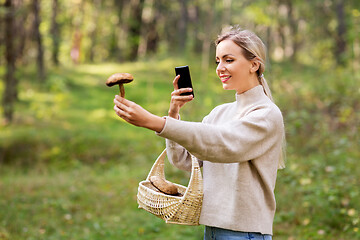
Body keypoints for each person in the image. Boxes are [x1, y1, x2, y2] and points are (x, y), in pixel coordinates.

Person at [113, 26, 285, 240]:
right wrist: (173, 114)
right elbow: (184, 160)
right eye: (217, 61)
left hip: (245, 233)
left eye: (228, 60)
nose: (220, 68)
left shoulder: (266, 114)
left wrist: (156, 123)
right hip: (212, 230)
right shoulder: (220, 113)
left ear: (254, 64)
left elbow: (223, 143)